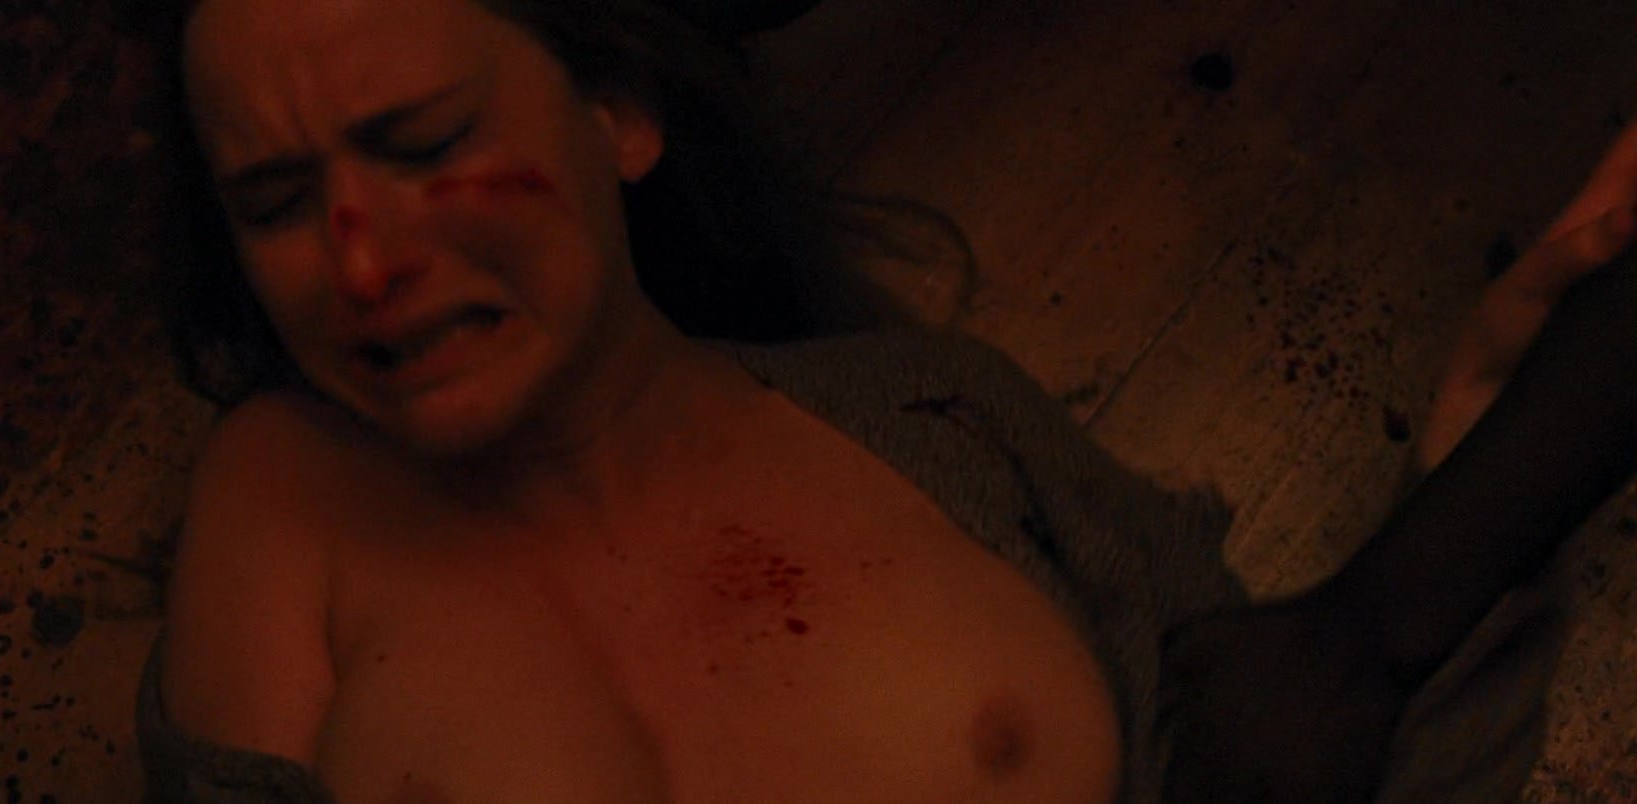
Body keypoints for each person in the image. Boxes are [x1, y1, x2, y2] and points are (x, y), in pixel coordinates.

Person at [136, 0, 1637, 801]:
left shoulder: (938, 424)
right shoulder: (286, 507)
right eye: (274, 203)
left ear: (620, 115)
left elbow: (1302, 737)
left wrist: (1471, 470)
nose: (363, 262)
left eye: (424, 144)